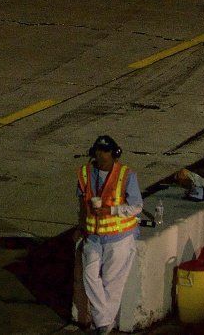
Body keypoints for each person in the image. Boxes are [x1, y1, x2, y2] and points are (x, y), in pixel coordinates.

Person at [76, 134, 142, 334]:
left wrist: (111, 211)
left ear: (114, 154)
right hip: (93, 235)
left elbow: (137, 206)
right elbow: (81, 203)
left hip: (119, 237)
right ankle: (104, 319)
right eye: (98, 150)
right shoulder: (85, 173)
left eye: (105, 151)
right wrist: (80, 228)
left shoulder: (126, 175)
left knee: (112, 283)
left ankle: (103, 326)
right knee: (89, 274)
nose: (101, 155)